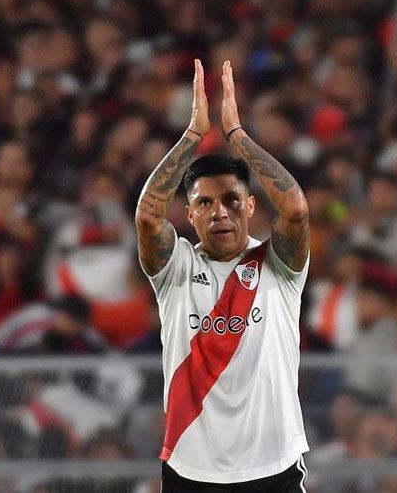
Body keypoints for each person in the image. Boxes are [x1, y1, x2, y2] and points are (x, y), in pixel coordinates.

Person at [135, 61, 310, 491]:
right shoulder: (176, 269)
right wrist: (192, 136)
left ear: (251, 206)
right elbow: (147, 214)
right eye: (205, 203)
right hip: (191, 471)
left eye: (232, 200)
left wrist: (237, 136)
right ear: (190, 214)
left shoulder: (279, 265)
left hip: (274, 469)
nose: (220, 212)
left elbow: (296, 209)